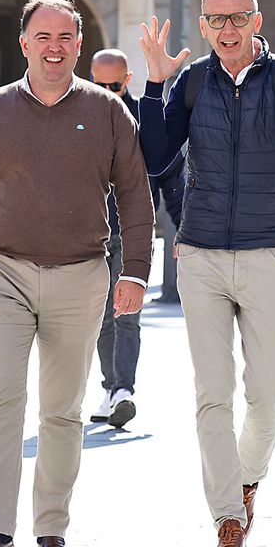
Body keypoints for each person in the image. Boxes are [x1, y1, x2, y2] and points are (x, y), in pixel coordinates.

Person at [0, 0, 154, 547]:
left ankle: (52, 528)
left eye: (65, 37)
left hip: (81, 275)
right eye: (43, 37)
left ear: (79, 44)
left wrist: (135, 272)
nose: (55, 47)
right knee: (1, 399)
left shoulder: (108, 111)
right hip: (2, 272)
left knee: (62, 409)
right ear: (24, 43)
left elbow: (135, 194)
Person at [138, 0, 275, 547]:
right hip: (200, 254)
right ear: (203, 26)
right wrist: (154, 83)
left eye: (238, 17)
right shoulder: (192, 81)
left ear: (256, 21)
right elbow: (155, 156)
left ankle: (245, 481)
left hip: (269, 250)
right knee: (212, 392)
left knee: (270, 390)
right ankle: (228, 520)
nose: (228, 29)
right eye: (217, 19)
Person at [86, 47, 171, 431]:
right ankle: (111, 388)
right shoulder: (80, 113)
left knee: (126, 315)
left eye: (115, 86)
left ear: (128, 80)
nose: (108, 92)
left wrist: (182, 228)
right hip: (90, 235)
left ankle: (124, 390)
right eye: (100, 84)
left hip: (132, 233)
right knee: (101, 318)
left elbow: (168, 170)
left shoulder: (143, 116)